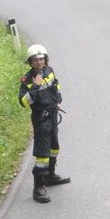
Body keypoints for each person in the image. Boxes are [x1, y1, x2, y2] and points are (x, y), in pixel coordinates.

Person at [18, 44, 70, 203]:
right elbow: (24, 102)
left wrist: (58, 101)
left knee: (54, 148)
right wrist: (35, 85)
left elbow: (56, 86)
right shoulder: (27, 80)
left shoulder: (49, 70)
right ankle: (38, 188)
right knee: (42, 155)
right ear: (30, 61)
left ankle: (49, 176)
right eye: (36, 60)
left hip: (53, 114)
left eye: (41, 59)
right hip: (41, 119)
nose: (39, 62)